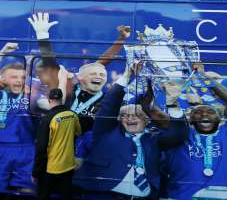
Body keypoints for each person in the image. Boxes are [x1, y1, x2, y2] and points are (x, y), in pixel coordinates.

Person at [73, 67, 187, 199]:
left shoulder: (154, 139)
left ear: (146, 121)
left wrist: (172, 104)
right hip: (103, 194)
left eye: (137, 115)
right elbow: (109, 106)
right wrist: (127, 76)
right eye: (125, 115)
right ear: (120, 121)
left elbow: (178, 134)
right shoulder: (105, 133)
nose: (130, 118)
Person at [163, 74, 227, 200]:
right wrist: (171, 102)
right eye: (197, 112)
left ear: (220, 119)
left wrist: (204, 78)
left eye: (211, 112)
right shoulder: (181, 135)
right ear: (190, 120)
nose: (204, 115)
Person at [0, 44, 37, 193]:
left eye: (23, 77)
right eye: (14, 77)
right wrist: (2, 52)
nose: (19, 80)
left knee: (27, 190)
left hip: (27, 149)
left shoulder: (34, 96)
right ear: (2, 78)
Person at [33, 88, 80, 200]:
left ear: (49, 100)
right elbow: (78, 133)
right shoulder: (73, 115)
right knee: (67, 195)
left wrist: (36, 172)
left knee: (43, 195)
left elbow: (41, 148)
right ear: (61, 99)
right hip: (68, 165)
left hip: (51, 168)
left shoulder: (48, 119)